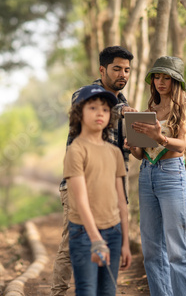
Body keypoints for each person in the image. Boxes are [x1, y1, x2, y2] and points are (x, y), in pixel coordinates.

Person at [51, 46, 136, 296]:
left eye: (127, 70)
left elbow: (122, 149)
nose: (123, 74)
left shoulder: (124, 103)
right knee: (71, 247)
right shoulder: (85, 94)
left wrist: (134, 143)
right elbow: (86, 108)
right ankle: (57, 292)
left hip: (113, 186)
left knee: (110, 242)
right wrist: (122, 113)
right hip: (82, 183)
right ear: (103, 69)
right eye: (117, 69)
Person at [126, 56, 186, 296]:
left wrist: (160, 137)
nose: (160, 82)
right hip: (147, 176)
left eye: (166, 77)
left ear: (176, 80)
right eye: (157, 77)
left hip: (171, 176)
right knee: (152, 250)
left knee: (178, 249)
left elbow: (182, 145)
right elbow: (142, 154)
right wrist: (133, 145)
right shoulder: (150, 110)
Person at [63, 85, 132, 295]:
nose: (100, 113)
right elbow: (81, 200)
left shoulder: (114, 152)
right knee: (87, 290)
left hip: (113, 232)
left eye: (104, 109)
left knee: (107, 291)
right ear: (79, 113)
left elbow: (122, 200)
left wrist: (125, 242)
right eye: (92, 107)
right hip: (84, 233)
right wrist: (95, 240)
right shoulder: (76, 150)